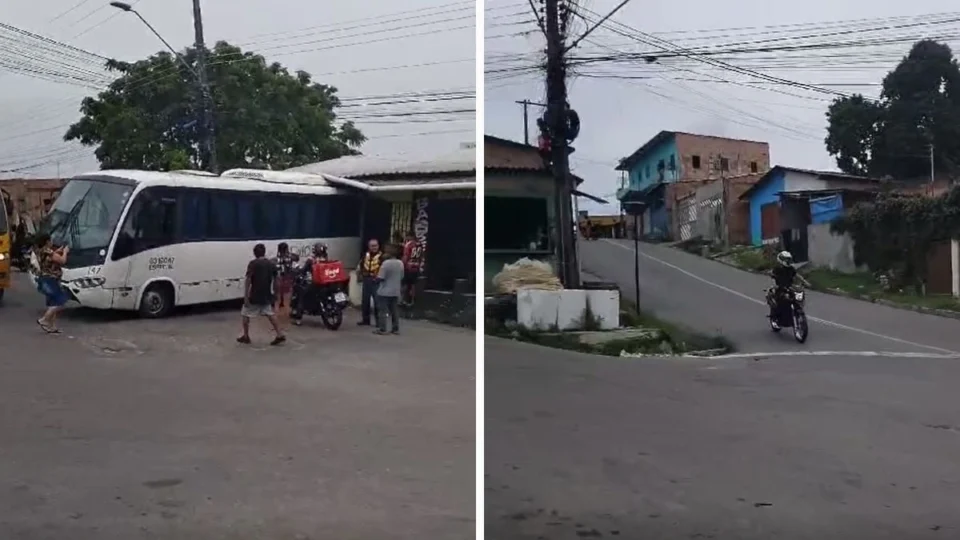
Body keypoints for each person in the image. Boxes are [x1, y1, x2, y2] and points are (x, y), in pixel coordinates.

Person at [238, 243, 285, 346]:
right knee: (270, 314)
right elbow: (277, 279)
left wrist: (246, 296)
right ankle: (279, 334)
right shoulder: (271, 264)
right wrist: (276, 293)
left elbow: (248, 280)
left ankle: (246, 336)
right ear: (264, 252)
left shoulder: (253, 264)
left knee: (245, 313)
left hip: (254, 295)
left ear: (255, 253)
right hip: (266, 294)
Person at [34, 233, 69, 333]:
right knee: (60, 300)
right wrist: (65, 252)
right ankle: (44, 319)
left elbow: (50, 257)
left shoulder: (40, 251)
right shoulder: (48, 252)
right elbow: (62, 261)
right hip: (51, 279)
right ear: (47, 242)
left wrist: (58, 251)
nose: (52, 242)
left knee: (53, 303)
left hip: (44, 278)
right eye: (50, 240)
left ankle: (52, 326)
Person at [767, 250, 811, 328]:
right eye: (786, 259)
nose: (788, 261)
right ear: (781, 260)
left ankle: (794, 314)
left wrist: (805, 282)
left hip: (790, 287)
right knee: (781, 301)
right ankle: (776, 318)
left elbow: (797, 275)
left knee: (796, 298)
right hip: (780, 288)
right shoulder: (778, 268)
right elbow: (771, 273)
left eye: (789, 259)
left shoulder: (791, 268)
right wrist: (772, 275)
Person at [374, 244, 404, 335]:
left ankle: (382, 329)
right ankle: (395, 329)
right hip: (395, 290)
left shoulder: (386, 264)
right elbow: (402, 276)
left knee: (382, 311)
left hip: (384, 291)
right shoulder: (400, 263)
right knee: (394, 311)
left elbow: (381, 277)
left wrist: (375, 280)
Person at [356, 238, 382, 326]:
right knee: (365, 301)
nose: (374, 247)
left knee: (377, 302)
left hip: (376, 280)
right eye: (372, 246)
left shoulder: (382, 256)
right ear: (368, 247)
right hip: (366, 279)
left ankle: (379, 322)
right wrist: (360, 275)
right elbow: (361, 265)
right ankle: (365, 320)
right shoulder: (365, 255)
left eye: (376, 246)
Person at [272, 242, 299, 319]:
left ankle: (276, 315)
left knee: (277, 298)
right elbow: (297, 257)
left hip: (278, 279)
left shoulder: (275, 259)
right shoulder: (290, 257)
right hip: (288, 279)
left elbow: (271, 263)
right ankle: (288, 314)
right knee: (288, 297)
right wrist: (288, 254)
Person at [400, 232, 424, 307]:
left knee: (404, 283)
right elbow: (421, 256)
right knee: (413, 284)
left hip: (408, 267)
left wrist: (403, 265)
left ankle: (402, 299)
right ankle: (412, 300)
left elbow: (405, 256)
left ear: (410, 236)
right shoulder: (419, 245)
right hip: (416, 267)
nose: (406, 238)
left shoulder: (409, 245)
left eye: (407, 237)